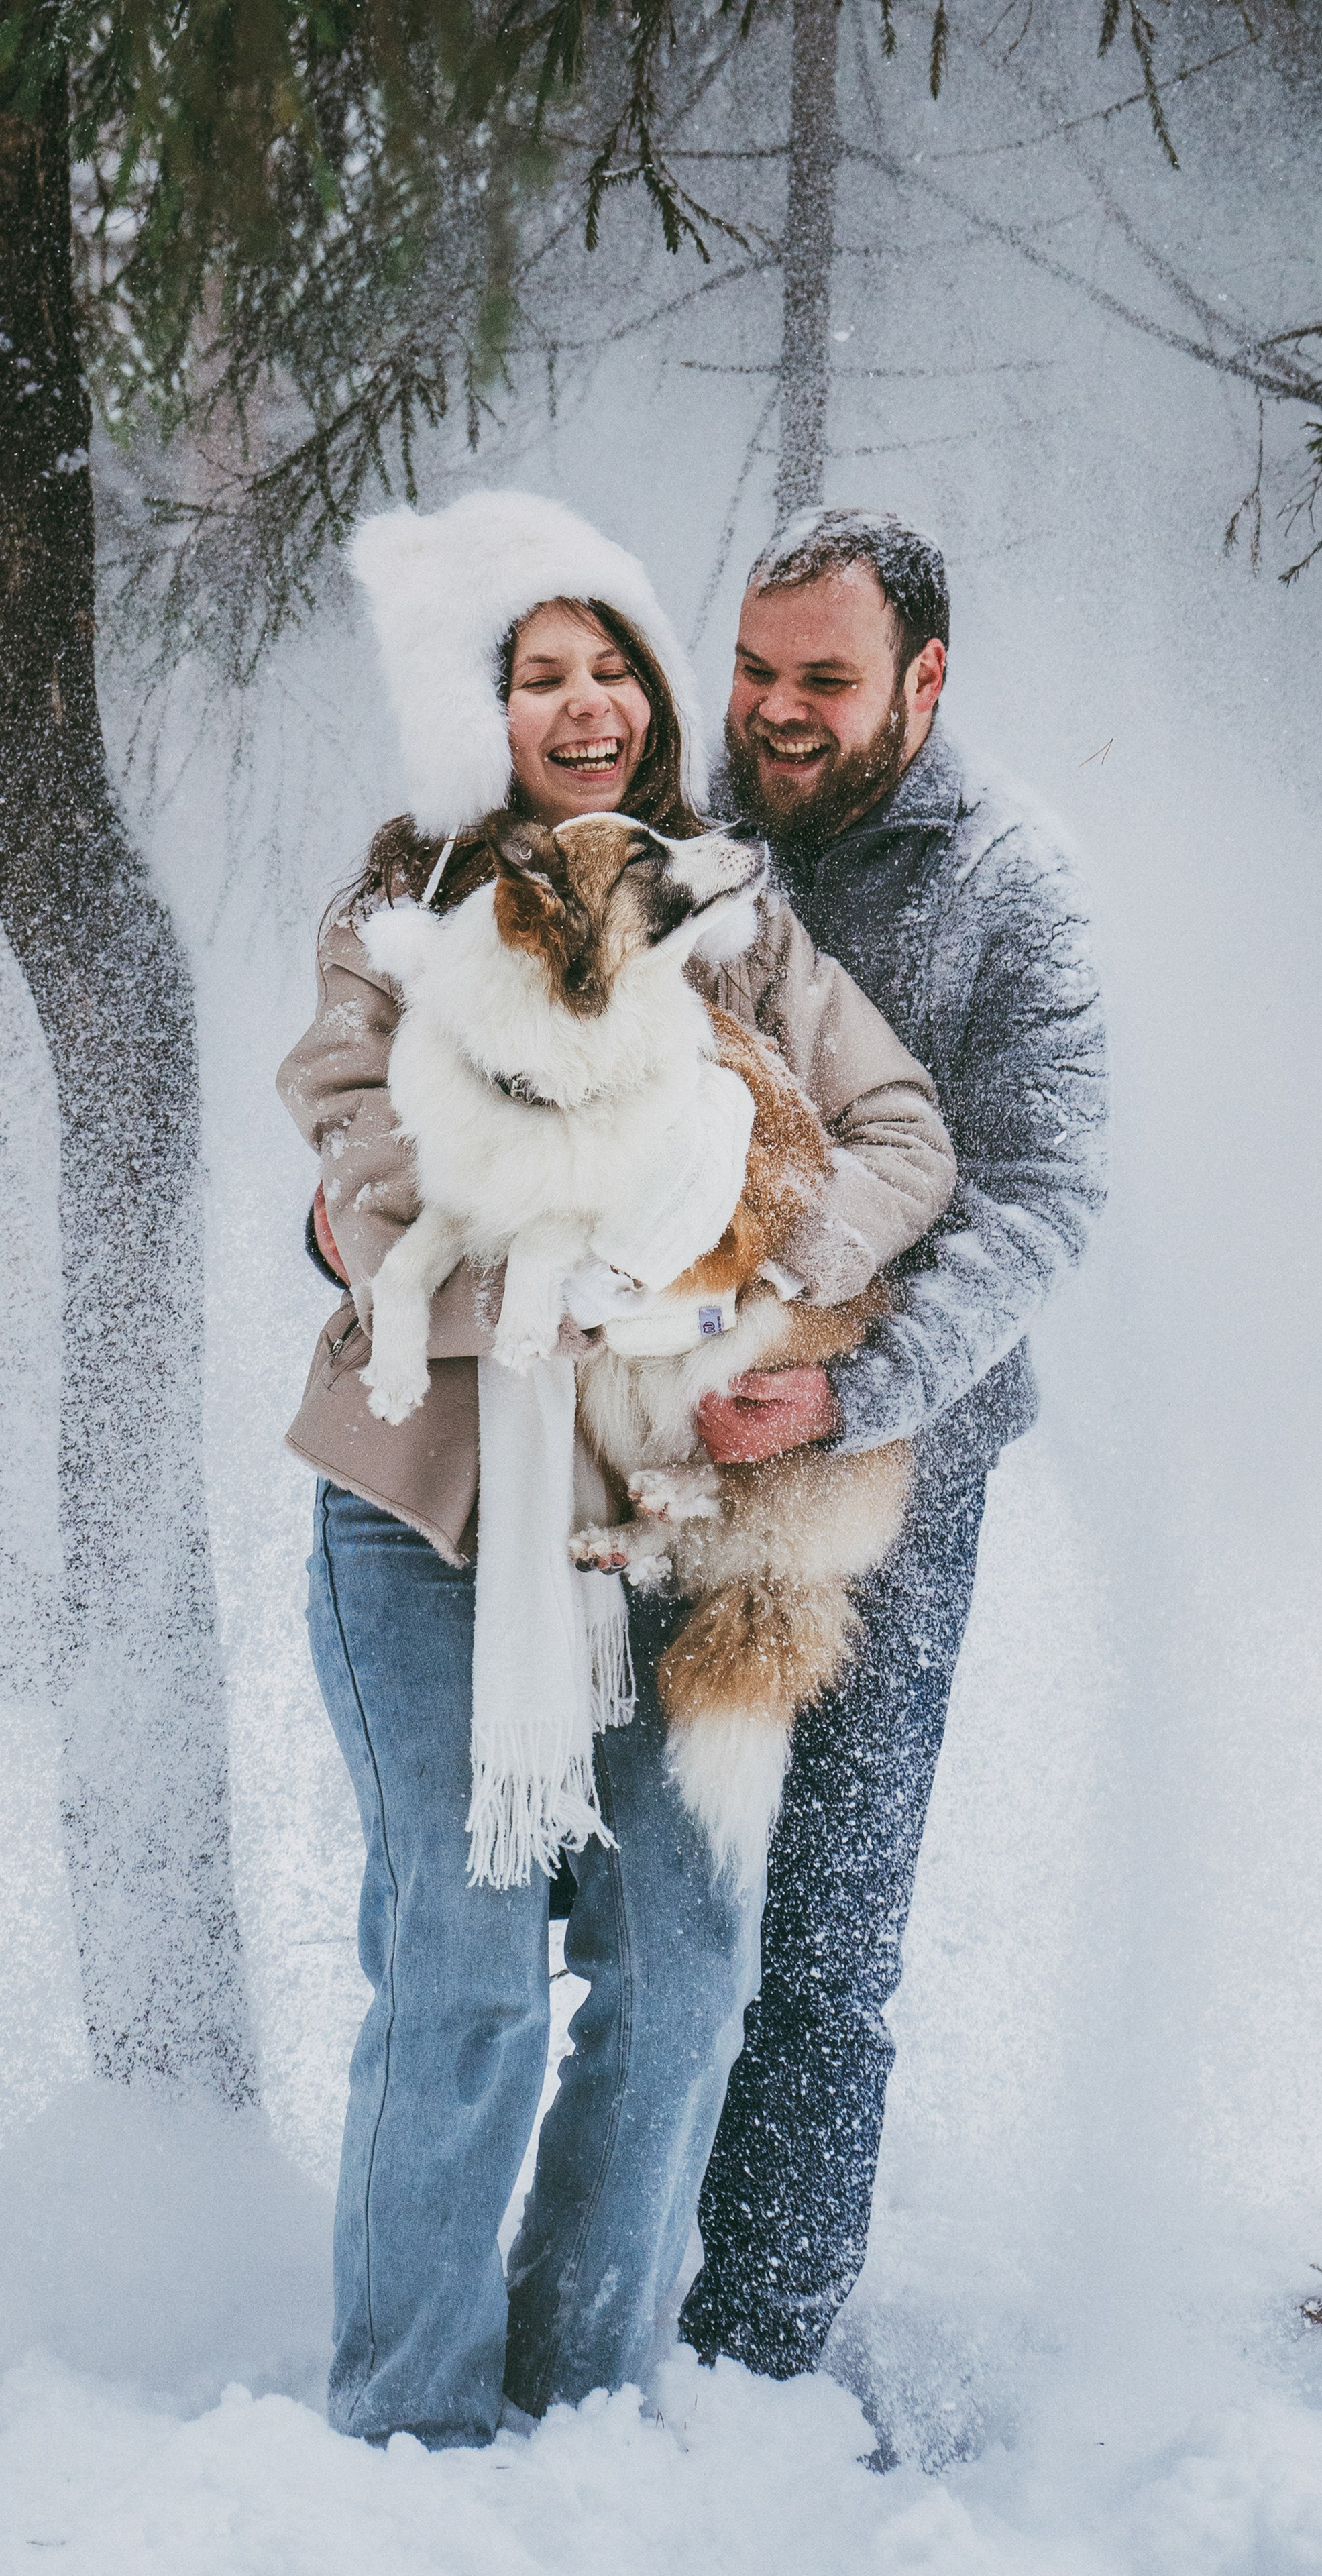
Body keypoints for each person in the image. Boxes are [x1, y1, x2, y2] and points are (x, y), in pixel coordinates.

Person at [278, 488, 956, 2448]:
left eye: (609, 670)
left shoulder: (729, 911)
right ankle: (405, 2431)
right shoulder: (400, 914)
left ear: (655, 696)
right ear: (475, 711)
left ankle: (584, 2406)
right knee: (468, 1972)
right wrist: (549, 1236)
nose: (581, 705)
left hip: (662, 1519)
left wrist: (758, 1264)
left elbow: (900, 1130)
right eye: (535, 675)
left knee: (682, 1974)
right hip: (433, 1503)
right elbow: (365, 1152)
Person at [675, 508, 1107, 2381]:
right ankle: (603, 2293)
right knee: (641, 1895)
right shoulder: (682, 834)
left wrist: (859, 1390)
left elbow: (1047, 1197)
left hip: (897, 1465)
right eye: (757, 671)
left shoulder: (1018, 884)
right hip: (667, 1439)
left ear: (926, 679)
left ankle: (757, 2357)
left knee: (829, 1943)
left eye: (823, 682)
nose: (775, 713)